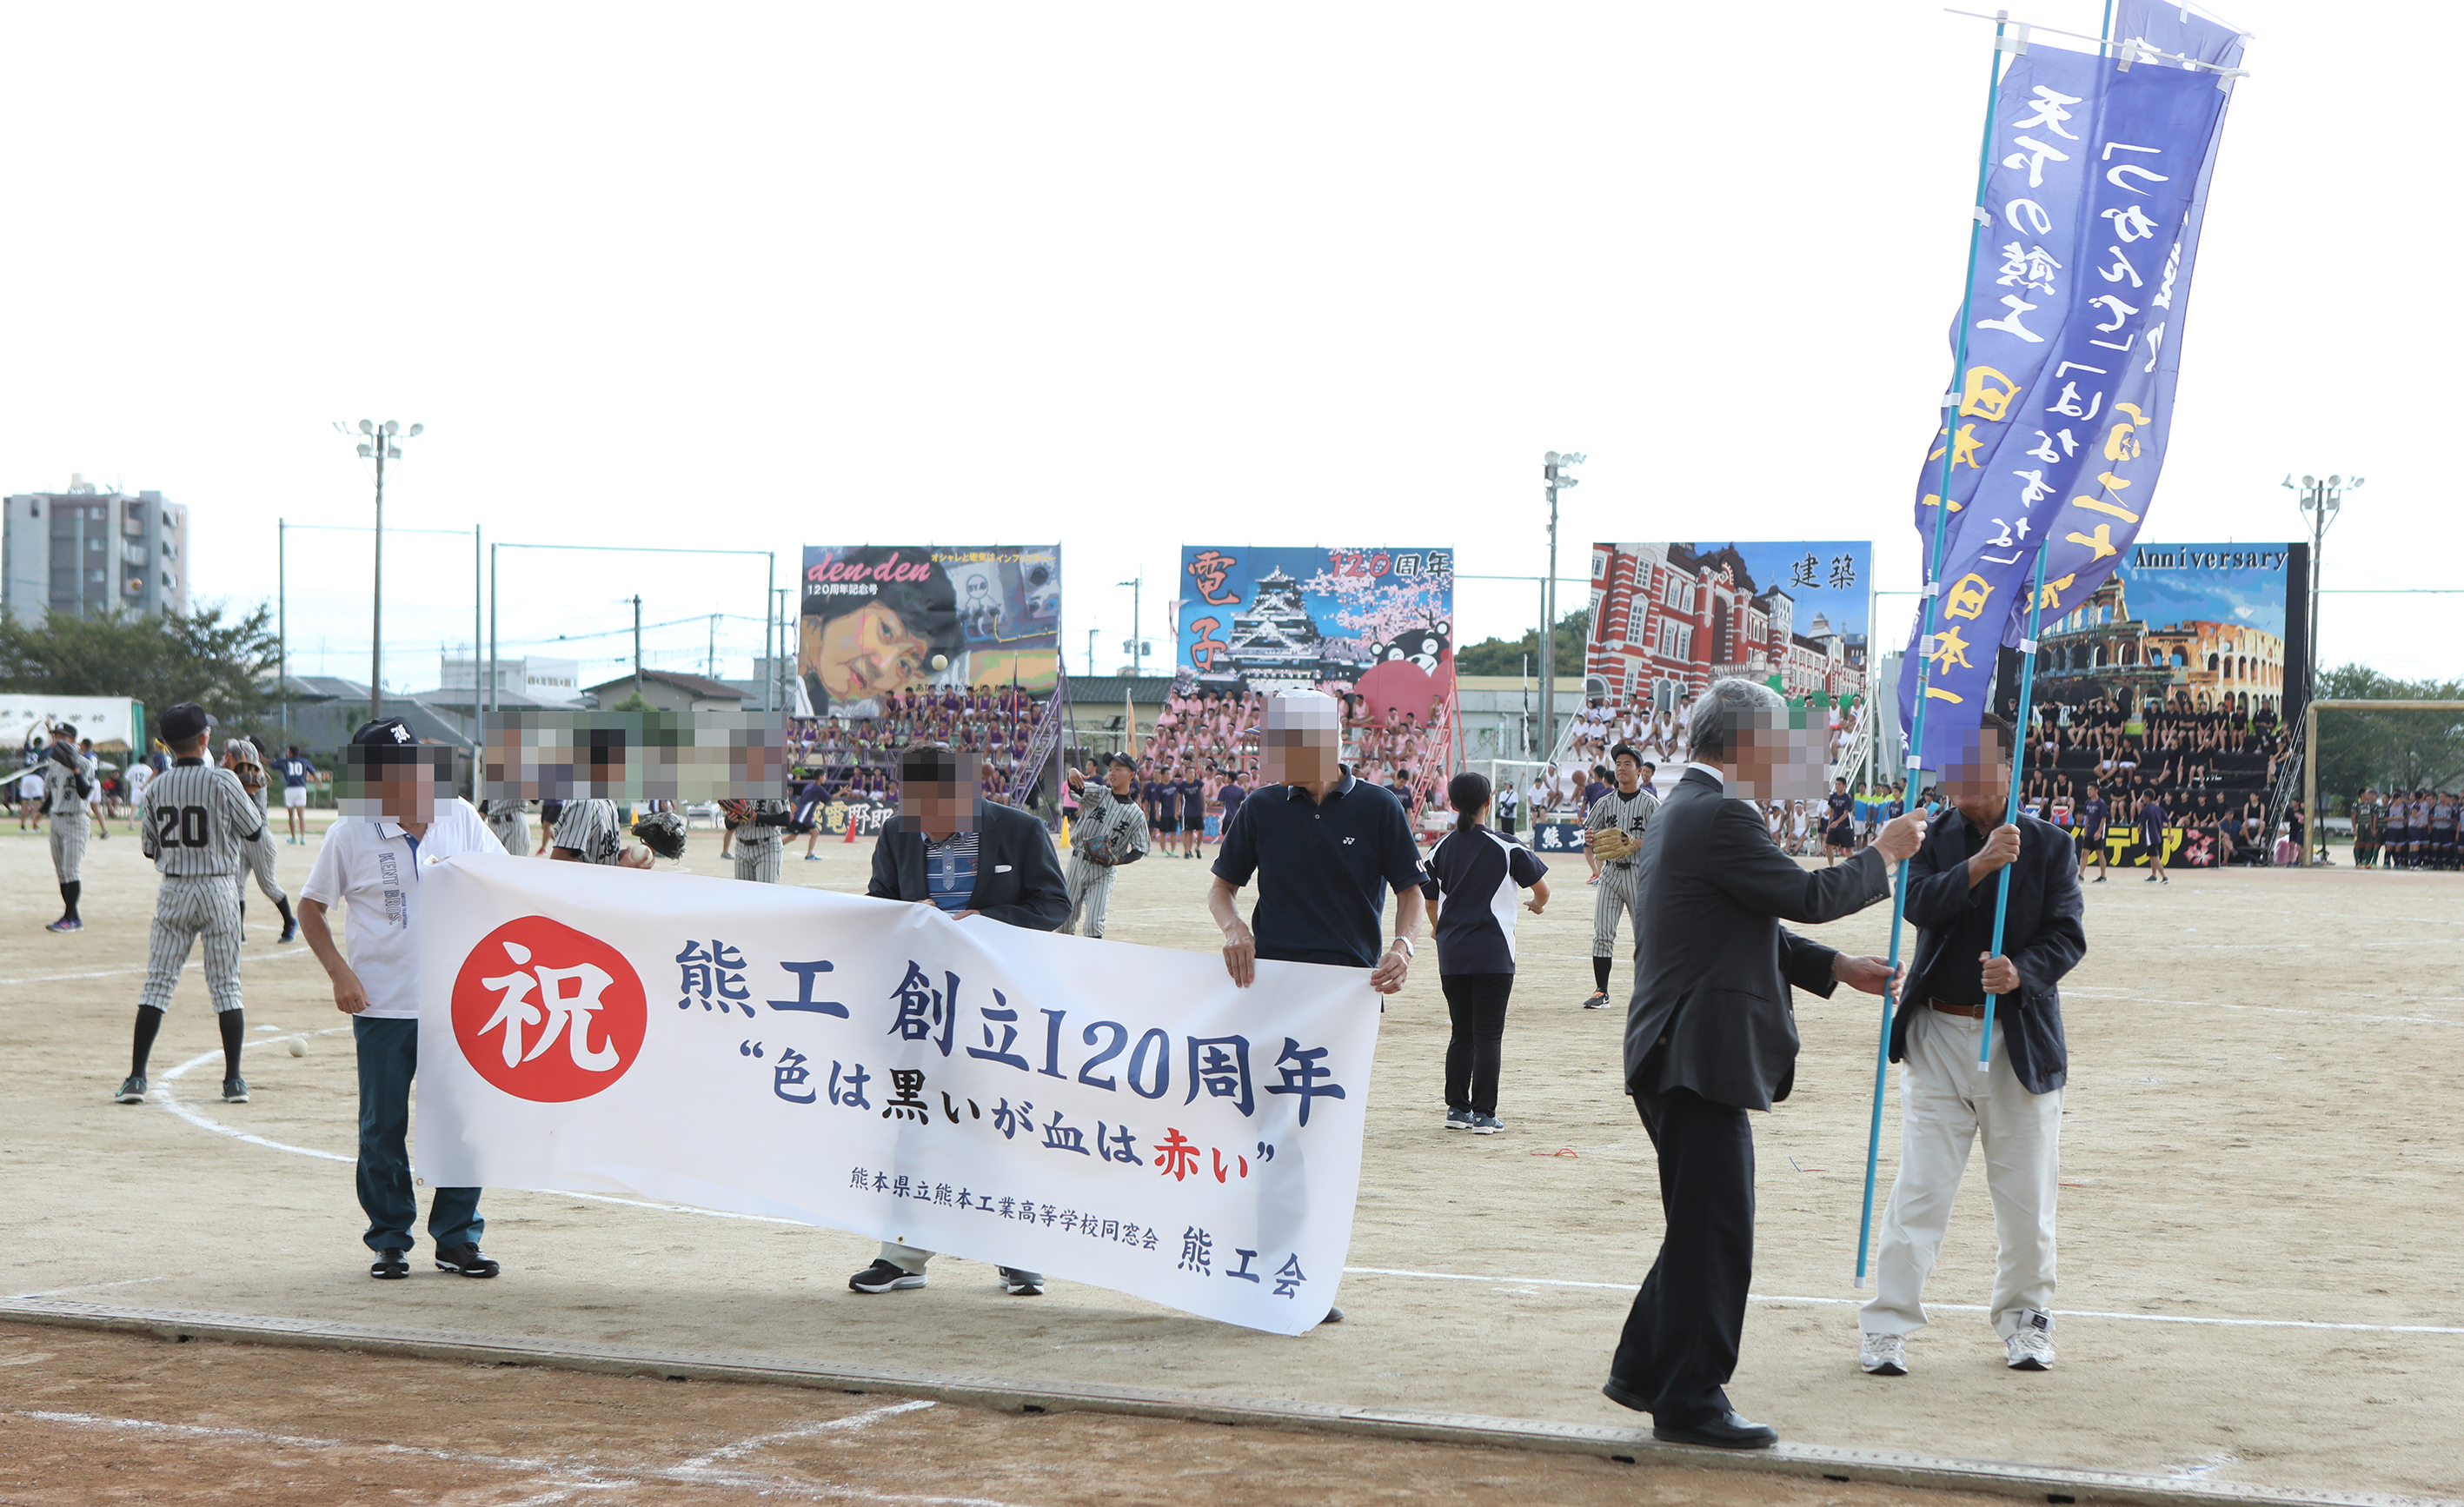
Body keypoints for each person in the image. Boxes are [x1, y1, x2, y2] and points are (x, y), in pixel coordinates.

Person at [1604, 678, 1922, 1450]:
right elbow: (1804, 896)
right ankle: (1690, 1399)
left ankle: (1646, 1371)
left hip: (1676, 1046)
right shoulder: (1720, 812)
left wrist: (1833, 966)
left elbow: (1740, 923)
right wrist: (1882, 854)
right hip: (1693, 1049)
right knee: (1716, 1230)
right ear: (1745, 744)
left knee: (1701, 1223)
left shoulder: (1685, 808)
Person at [1858, 717, 2085, 1378]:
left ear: (2008, 768)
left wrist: (2020, 973)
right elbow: (1917, 905)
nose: (1961, 776)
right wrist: (1981, 864)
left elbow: (2067, 935)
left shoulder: (2049, 845)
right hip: (1936, 1038)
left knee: (2026, 1199)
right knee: (1920, 1190)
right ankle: (1887, 1325)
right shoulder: (1928, 838)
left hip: (2018, 1045)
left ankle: (2026, 1321)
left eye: (1977, 762)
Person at [1208, 690, 1425, 1327]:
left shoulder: (1379, 807)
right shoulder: (1260, 808)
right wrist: (1233, 928)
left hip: (1347, 1002)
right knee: (1272, 1136)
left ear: (1321, 743)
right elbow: (1222, 890)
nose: (1269, 755)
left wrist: (1403, 946)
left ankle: (1307, 1274)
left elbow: (1411, 891)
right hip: (1271, 995)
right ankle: (1273, 1270)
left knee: (1325, 1139)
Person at [853, 741, 1069, 1298]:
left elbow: (1054, 905)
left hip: (998, 1007)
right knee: (913, 1122)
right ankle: (902, 1256)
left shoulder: (1020, 830)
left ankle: (1017, 1253)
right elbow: (879, 902)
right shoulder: (898, 833)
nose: (920, 817)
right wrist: (905, 915)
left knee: (1003, 1124)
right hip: (922, 1004)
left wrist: (988, 921)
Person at [297, 717, 508, 1281]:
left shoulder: (459, 816)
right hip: (383, 1005)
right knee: (381, 1126)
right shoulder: (350, 833)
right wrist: (339, 973)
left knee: (462, 1123)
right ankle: (389, 1238)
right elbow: (311, 907)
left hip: (458, 1002)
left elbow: (508, 881)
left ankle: (457, 1238)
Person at [115, 703, 268, 1107]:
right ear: (204, 739)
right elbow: (254, 832)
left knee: (157, 984)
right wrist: (252, 792)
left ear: (167, 744)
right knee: (227, 987)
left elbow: (149, 848)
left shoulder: (157, 786)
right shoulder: (223, 780)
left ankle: (136, 1078)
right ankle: (234, 1080)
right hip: (219, 888)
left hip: (175, 890)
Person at [1425, 771, 1548, 1132]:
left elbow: (1429, 901)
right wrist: (1537, 905)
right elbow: (1542, 889)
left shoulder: (1439, 849)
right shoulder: (1507, 845)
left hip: (1453, 953)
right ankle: (1484, 1113)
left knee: (1461, 1032)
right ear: (1488, 803)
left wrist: (1439, 929)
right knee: (1488, 1035)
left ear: (1452, 804)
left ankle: (1456, 1109)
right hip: (1493, 952)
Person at [1580, 746, 1659, 1012]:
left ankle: (1650, 991)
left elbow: (1663, 838)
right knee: (1602, 933)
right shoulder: (1605, 802)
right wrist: (1590, 837)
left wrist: (1635, 842)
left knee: (1645, 936)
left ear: (1640, 771)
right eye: (1618, 763)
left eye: (1628, 763)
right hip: (1611, 873)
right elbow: (1591, 833)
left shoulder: (1650, 803)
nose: (1622, 767)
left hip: (1639, 874)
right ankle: (1601, 991)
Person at [1062, 754, 1150, 937]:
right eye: (1110, 769)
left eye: (1118, 769)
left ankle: (1094, 956)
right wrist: (1072, 773)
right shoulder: (1099, 793)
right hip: (1077, 862)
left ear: (1131, 775)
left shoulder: (1136, 815)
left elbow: (1139, 849)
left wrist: (1118, 861)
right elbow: (1076, 787)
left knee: (1094, 925)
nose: (1112, 773)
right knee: (1064, 921)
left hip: (1103, 871)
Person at [222, 739, 300, 943]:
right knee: (236, 884)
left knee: (268, 885)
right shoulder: (239, 773)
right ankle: (238, 931)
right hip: (242, 838)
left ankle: (290, 922)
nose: (228, 758)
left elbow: (245, 803)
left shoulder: (253, 774)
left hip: (259, 838)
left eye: (232, 755)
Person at [37, 723, 95, 933]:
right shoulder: (53, 765)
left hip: (76, 820)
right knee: (62, 872)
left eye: (62, 736)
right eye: (55, 736)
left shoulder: (85, 764)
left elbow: (85, 792)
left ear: (73, 740)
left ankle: (69, 919)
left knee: (71, 870)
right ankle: (73, 916)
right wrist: (40, 812)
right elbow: (53, 794)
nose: (57, 740)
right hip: (56, 821)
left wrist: (75, 768)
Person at [275, 745, 318, 844]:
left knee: (291, 815)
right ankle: (303, 837)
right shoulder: (304, 761)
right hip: (301, 789)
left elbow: (272, 763)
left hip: (290, 789)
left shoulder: (285, 762)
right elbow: (313, 772)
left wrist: (261, 759)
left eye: (288, 751)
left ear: (290, 753)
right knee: (301, 815)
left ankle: (294, 838)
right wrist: (319, 781)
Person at [2076, 782, 2111, 884]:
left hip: (2097, 831)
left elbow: (2103, 818)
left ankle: (2103, 876)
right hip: (2090, 831)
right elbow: (2087, 818)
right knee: (2084, 853)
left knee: (2099, 852)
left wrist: (2099, 832)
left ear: (2096, 790)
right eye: (2088, 790)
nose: (2089, 792)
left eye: (2091, 789)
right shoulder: (2088, 802)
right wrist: (2085, 830)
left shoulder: (2101, 803)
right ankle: (2081, 875)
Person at [2137, 789, 2169, 884]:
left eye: (2143, 796)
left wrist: (2138, 829)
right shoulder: (2159, 808)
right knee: (2152, 856)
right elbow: (2168, 821)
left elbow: (2141, 824)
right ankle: (2153, 875)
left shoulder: (2145, 810)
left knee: (2155, 858)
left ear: (2147, 798)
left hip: (2151, 837)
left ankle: (2164, 877)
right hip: (2159, 836)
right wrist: (2169, 833)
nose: (2143, 798)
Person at [1823, 777, 1856, 865]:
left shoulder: (1847, 797)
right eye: (1836, 784)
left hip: (1845, 826)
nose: (1837, 786)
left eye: (1839, 784)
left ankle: (1851, 866)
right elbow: (1832, 810)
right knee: (1828, 846)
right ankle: (1831, 866)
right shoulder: (1833, 796)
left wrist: (1837, 822)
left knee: (1848, 848)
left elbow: (1846, 813)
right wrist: (1829, 824)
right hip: (1834, 826)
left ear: (1844, 786)